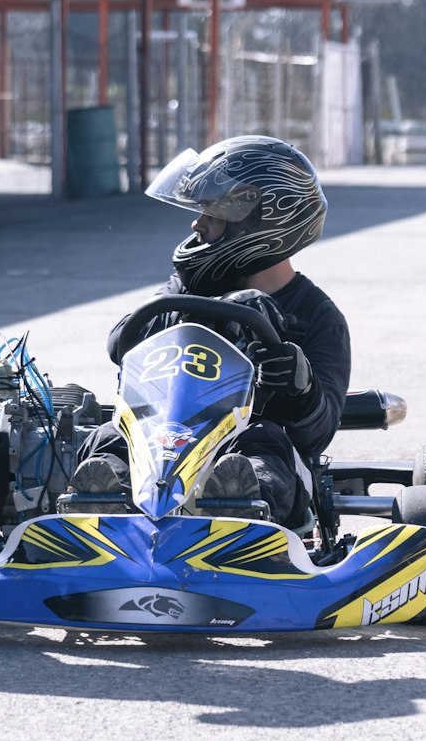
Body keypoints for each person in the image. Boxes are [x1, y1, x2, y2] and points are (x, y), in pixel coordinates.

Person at [72, 135, 352, 531]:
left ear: (260, 221)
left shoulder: (317, 316)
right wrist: (185, 312)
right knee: (110, 436)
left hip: (249, 449)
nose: (196, 223)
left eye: (212, 212)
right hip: (165, 437)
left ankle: (239, 506)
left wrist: (299, 385)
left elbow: (317, 435)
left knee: (264, 443)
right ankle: (102, 500)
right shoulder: (182, 289)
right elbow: (122, 343)